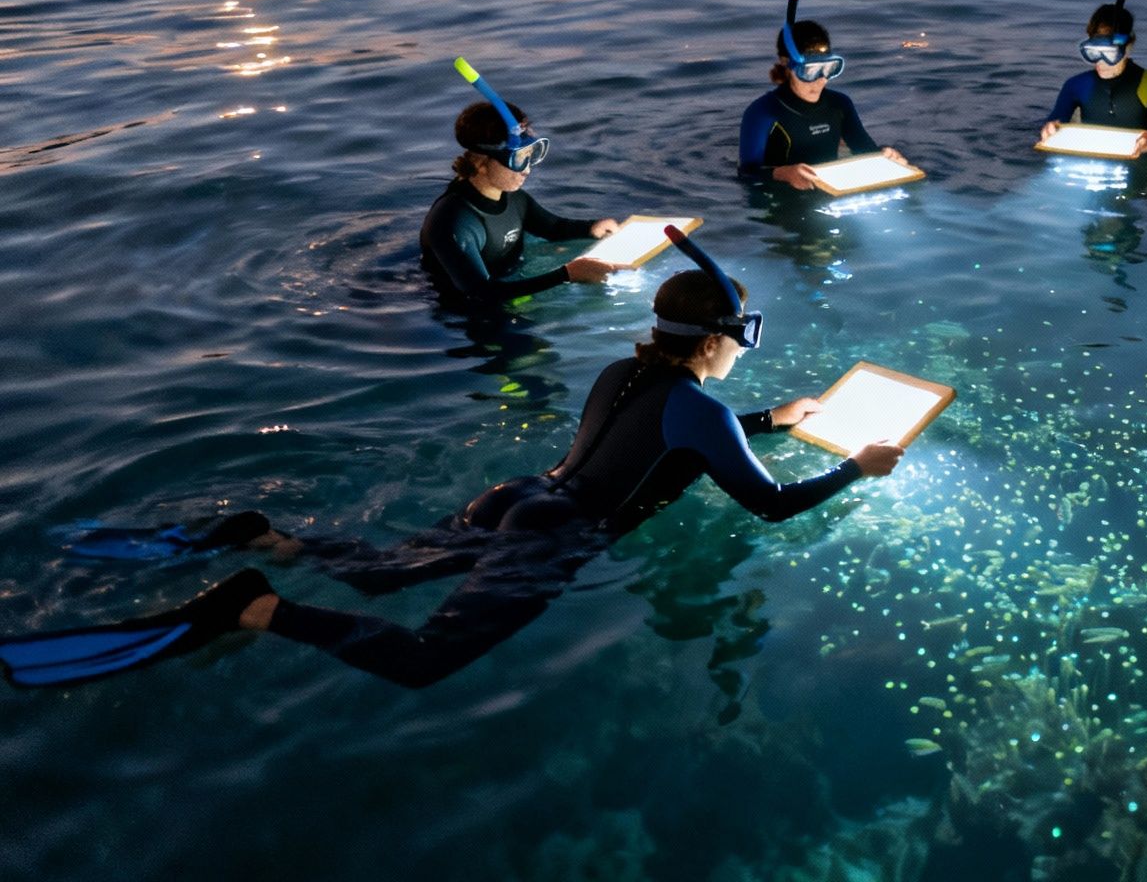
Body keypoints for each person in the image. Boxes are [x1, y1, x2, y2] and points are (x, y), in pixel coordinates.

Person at [0, 236, 905, 691]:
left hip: (516, 499)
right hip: (553, 539)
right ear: (716, 338)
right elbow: (773, 506)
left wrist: (774, 420)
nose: (744, 351)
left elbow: (663, 444)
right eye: (742, 338)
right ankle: (257, 606)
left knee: (388, 576)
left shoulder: (625, 369)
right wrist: (853, 469)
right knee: (425, 660)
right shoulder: (704, 407)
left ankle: (266, 537)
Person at [420, 100, 623, 306]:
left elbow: (553, 228)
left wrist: (592, 228)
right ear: (479, 163)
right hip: (470, 316)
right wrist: (566, 274)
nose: (527, 170)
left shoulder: (515, 199)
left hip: (511, 289)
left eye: (530, 155)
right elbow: (480, 291)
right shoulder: (454, 221)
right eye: (517, 160)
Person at [738, 14, 910, 191]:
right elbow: (746, 173)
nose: (820, 81)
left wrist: (885, 156)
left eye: (827, 69)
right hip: (780, 199)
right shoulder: (762, 111)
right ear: (786, 65)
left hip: (832, 191)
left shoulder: (840, 104)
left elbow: (866, 151)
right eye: (810, 71)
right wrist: (783, 174)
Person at [1040, 2, 1147, 154]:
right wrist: (1050, 128)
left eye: (1109, 53)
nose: (1100, 62)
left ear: (1129, 46)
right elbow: (1056, 119)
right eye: (1093, 52)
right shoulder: (1075, 85)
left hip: (1140, 165)